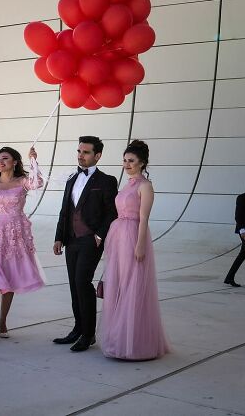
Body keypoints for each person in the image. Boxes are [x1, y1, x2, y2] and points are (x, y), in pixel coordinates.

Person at [99, 140, 171, 360]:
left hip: (133, 236)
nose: (126, 164)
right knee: (120, 285)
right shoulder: (127, 184)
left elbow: (144, 218)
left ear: (142, 163)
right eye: (124, 160)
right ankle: (118, 338)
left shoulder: (145, 186)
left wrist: (140, 244)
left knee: (133, 285)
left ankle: (135, 343)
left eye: (131, 161)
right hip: (119, 235)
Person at [0, 146, 46, 341]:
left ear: (14, 162)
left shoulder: (22, 182)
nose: (0, 161)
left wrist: (33, 160)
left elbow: (38, 182)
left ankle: (2, 320)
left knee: (10, 279)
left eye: (5, 158)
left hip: (15, 236)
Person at [53, 136, 118, 352]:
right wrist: (59, 237)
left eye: (86, 152)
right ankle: (78, 328)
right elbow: (65, 210)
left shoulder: (107, 181)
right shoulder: (72, 178)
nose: (81, 155)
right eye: (79, 151)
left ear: (97, 155)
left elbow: (112, 211)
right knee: (74, 284)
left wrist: (99, 235)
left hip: (91, 240)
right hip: (71, 239)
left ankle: (89, 334)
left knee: (83, 282)